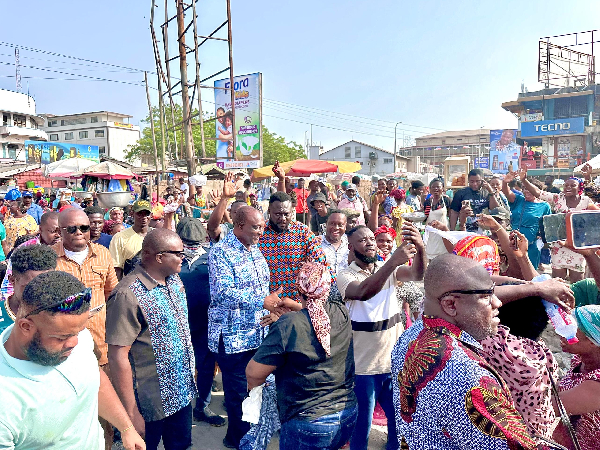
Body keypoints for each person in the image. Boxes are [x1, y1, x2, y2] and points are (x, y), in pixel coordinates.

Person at [391, 254, 542, 449]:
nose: (498, 303)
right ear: (450, 304)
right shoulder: (470, 377)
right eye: (486, 296)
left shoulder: (409, 336)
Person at [0, 271, 145, 450]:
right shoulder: (5, 399)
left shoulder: (75, 334)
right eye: (61, 338)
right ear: (26, 326)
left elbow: (94, 380)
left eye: (78, 332)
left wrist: (126, 427)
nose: (74, 343)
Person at [246, 262, 358, 450]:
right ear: (327, 288)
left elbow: (254, 373)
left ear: (299, 288)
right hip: (347, 413)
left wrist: (258, 395)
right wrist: (295, 310)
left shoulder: (289, 324)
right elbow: (317, 319)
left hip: (308, 421)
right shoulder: (341, 312)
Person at [208, 206, 291, 449]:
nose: (261, 231)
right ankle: (238, 441)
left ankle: (249, 437)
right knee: (237, 396)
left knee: (257, 392)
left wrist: (270, 306)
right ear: (239, 225)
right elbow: (223, 292)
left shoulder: (256, 251)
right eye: (256, 227)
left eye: (262, 226)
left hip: (257, 334)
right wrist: (261, 301)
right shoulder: (221, 252)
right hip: (232, 339)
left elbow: (260, 290)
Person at [107, 229, 197, 450]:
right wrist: (130, 414)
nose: (182, 257)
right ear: (159, 257)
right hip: (148, 403)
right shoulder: (127, 295)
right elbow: (118, 357)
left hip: (181, 393)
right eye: (178, 253)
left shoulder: (175, 282)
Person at [337, 224, 425, 450]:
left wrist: (421, 248)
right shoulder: (345, 275)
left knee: (398, 421)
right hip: (363, 368)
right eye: (362, 240)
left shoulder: (390, 270)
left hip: (392, 364)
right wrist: (393, 262)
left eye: (371, 239)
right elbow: (363, 292)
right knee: (362, 426)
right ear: (351, 247)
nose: (369, 243)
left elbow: (417, 274)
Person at [52, 207, 118, 370]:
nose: (79, 232)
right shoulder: (51, 259)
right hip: (65, 346)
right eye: (72, 229)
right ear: (60, 231)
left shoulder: (103, 254)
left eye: (83, 227)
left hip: (101, 343)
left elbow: (112, 292)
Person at [175, 218, 226, 427]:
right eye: (187, 242)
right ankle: (179, 410)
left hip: (206, 323)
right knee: (179, 366)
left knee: (205, 366)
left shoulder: (212, 258)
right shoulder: (171, 260)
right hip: (177, 324)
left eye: (195, 242)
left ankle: (202, 406)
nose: (191, 246)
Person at [520, 167, 598, 282]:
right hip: (559, 245)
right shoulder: (558, 198)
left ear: (580, 188)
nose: (568, 187)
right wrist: (524, 180)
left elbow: (596, 216)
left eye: (573, 185)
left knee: (577, 281)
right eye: (566, 185)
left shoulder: (586, 201)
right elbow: (538, 193)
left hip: (578, 246)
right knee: (558, 281)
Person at [259, 191, 330, 301]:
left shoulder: (303, 232)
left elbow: (320, 264)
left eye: (286, 214)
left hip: (297, 304)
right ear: (269, 211)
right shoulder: (259, 233)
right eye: (278, 214)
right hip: (268, 303)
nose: (283, 218)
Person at [556, 305, 600, 450]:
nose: (561, 331)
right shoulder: (579, 361)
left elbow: (550, 407)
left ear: (593, 341)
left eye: (570, 327)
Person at [493, 171, 550, 268]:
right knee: (513, 269)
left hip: (532, 244)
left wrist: (542, 238)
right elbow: (507, 192)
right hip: (513, 241)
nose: (526, 191)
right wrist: (505, 182)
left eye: (529, 189)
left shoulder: (544, 206)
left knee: (530, 271)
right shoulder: (519, 200)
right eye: (524, 188)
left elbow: (547, 225)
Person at [0, 244, 57, 334]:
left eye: (47, 285)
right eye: (31, 286)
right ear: (12, 281)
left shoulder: (61, 315)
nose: (40, 292)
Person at [109, 200, 153, 280]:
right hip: (131, 287)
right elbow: (116, 269)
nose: (143, 217)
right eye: (140, 214)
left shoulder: (157, 236)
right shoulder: (120, 237)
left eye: (146, 214)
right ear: (132, 214)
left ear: (151, 215)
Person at [318, 210, 349, 277]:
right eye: (332, 224)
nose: (336, 228)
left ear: (345, 226)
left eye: (340, 225)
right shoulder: (315, 243)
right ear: (326, 224)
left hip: (346, 286)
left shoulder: (351, 243)